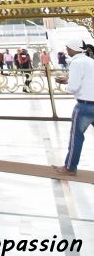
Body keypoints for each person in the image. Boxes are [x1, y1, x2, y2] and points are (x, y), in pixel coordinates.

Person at [53, 38, 94, 177]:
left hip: (84, 106)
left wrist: (66, 82)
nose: (67, 50)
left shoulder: (76, 62)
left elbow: (73, 87)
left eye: (68, 48)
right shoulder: (90, 61)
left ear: (73, 48)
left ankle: (70, 167)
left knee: (76, 137)